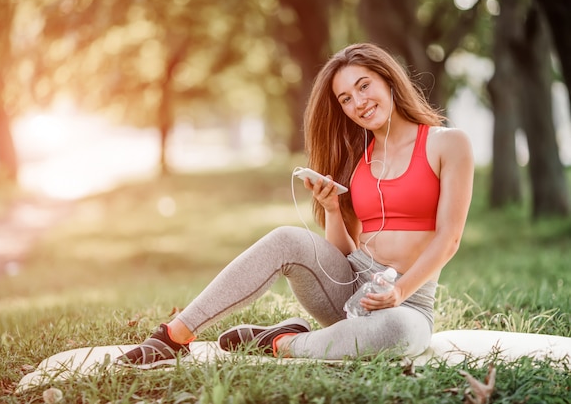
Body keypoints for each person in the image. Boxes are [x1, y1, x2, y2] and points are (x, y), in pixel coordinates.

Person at [117, 42, 474, 367]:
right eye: (346, 98)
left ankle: (283, 342)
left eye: (364, 86)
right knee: (287, 238)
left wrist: (398, 292)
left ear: (389, 80)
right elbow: (341, 258)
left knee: (393, 331)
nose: (358, 102)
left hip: (408, 305)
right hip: (349, 293)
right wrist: (333, 209)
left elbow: (450, 239)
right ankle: (174, 335)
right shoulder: (357, 159)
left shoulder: (448, 144)